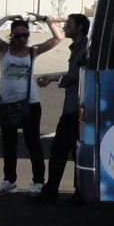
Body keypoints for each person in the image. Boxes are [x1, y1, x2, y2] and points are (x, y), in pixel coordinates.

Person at [0, 12, 63, 193]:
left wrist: (46, 20)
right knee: (8, 143)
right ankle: (9, 180)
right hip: (5, 104)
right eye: (18, 35)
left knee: (32, 142)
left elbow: (58, 38)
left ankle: (38, 181)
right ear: (12, 36)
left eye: (25, 35)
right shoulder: (4, 49)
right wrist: (7, 18)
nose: (22, 39)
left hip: (30, 103)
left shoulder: (32, 51)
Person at [36, 13, 90, 204]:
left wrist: (57, 79)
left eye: (69, 24)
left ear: (80, 27)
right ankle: (57, 190)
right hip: (72, 108)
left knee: (66, 151)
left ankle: (74, 192)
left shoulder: (86, 49)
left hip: (77, 109)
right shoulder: (77, 48)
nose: (65, 27)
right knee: (62, 151)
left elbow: (75, 77)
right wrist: (53, 77)